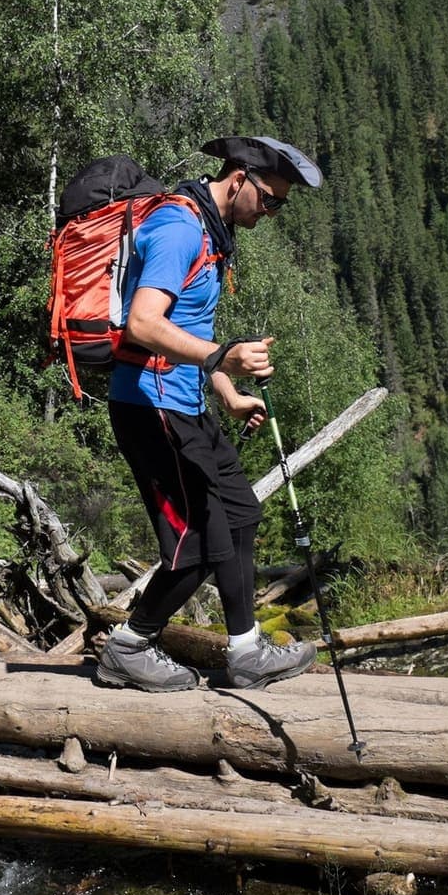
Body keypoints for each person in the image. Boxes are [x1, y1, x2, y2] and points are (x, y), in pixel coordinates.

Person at [95, 134, 323, 693]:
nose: (271, 213)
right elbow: (143, 325)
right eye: (270, 199)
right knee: (197, 544)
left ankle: (245, 652)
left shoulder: (211, 234)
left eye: (281, 206)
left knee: (241, 514)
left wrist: (225, 388)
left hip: (187, 405)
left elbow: (187, 333)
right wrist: (223, 356)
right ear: (239, 178)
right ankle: (128, 647)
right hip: (151, 410)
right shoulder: (179, 229)